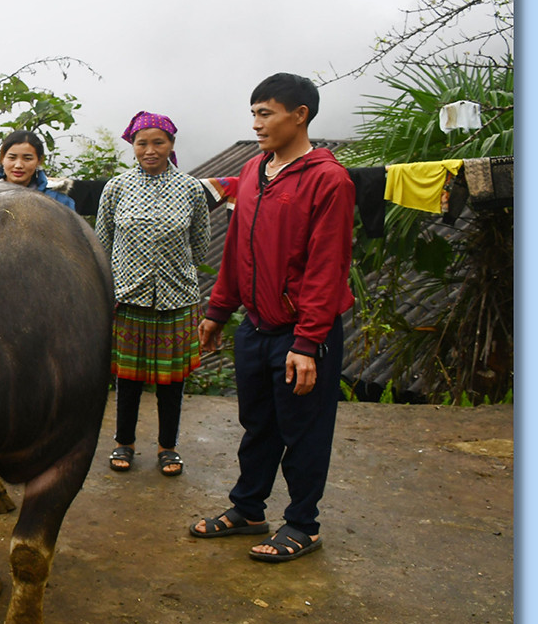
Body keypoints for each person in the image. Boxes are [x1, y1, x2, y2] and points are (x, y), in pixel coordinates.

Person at [188, 74, 354, 563]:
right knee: (257, 424)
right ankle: (248, 509)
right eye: (254, 114)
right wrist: (219, 310)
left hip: (302, 333)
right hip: (256, 325)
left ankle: (303, 523)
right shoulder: (253, 171)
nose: (256, 124)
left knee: (304, 430)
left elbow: (327, 267)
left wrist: (307, 343)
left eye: (266, 113)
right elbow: (237, 247)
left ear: (299, 115)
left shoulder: (329, 180)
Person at [94, 111, 210, 477]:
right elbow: (103, 242)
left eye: (158, 142)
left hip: (176, 299)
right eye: (142, 143)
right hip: (128, 298)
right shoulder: (117, 188)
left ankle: (167, 447)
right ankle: (124, 443)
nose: (150, 150)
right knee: (127, 380)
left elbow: (200, 244)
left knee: (171, 383)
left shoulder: (191, 189)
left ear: (171, 144)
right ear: (132, 145)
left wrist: (173, 271)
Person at [0, 130, 77, 210]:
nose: (18, 165)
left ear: (39, 161)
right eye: (12, 158)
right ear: (2, 158)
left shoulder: (57, 200)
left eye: (27, 159)